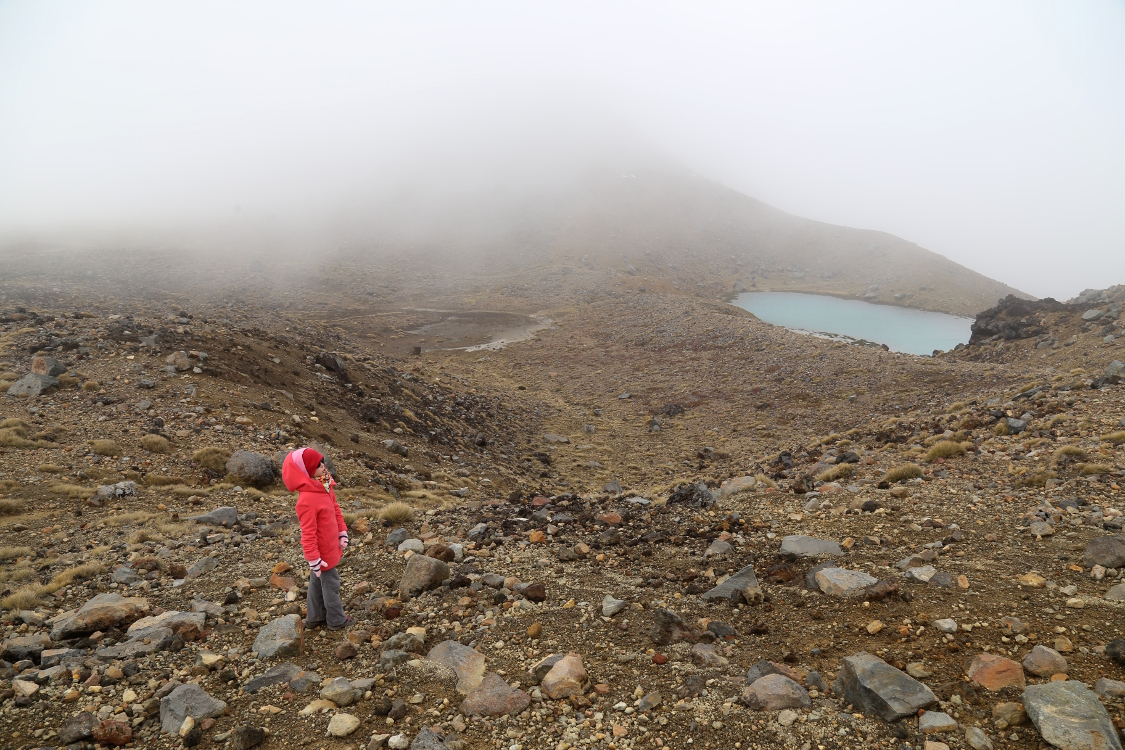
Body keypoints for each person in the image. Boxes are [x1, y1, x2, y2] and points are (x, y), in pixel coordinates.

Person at [282, 446, 353, 630]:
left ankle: (315, 618)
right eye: (317, 465)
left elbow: (335, 509)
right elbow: (308, 533)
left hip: (329, 545)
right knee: (331, 584)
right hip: (322, 551)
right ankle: (336, 620)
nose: (323, 466)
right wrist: (313, 558)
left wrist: (342, 532)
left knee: (316, 581)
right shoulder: (306, 500)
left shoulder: (325, 485)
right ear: (306, 472)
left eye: (322, 462)